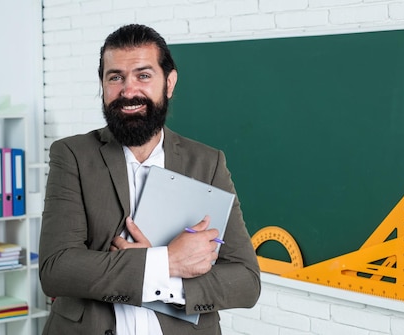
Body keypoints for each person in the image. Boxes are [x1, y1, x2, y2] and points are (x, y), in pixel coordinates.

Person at [39, 24, 260, 335]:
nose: (128, 92)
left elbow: (246, 280)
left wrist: (165, 282)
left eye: (143, 75)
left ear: (169, 83)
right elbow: (57, 270)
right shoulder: (72, 155)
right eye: (115, 77)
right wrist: (166, 262)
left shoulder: (208, 163)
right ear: (102, 84)